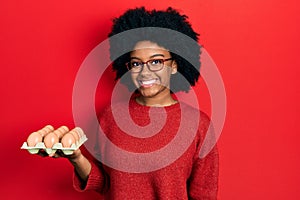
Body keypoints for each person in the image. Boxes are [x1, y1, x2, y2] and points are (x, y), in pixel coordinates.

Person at [34, 7, 219, 199]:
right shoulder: (111, 117)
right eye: (136, 63)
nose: (145, 72)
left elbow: (204, 195)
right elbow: (105, 183)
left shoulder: (199, 125)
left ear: (173, 66)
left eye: (155, 62)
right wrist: (76, 157)